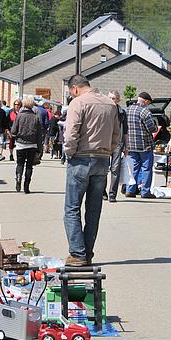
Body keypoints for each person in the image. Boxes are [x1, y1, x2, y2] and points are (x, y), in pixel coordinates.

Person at [62, 75, 120, 266]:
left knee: (72, 208)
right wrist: (108, 150)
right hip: (102, 159)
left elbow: (71, 133)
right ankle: (87, 252)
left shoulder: (78, 103)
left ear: (75, 88)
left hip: (80, 158)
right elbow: (116, 135)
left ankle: (78, 254)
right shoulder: (110, 104)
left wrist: (68, 152)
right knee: (93, 210)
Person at [124, 92, 158, 199]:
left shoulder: (127, 110)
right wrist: (156, 126)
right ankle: (145, 191)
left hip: (130, 144)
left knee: (133, 168)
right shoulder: (145, 111)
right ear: (146, 101)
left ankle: (130, 190)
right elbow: (152, 128)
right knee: (146, 169)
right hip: (144, 145)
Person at [10, 96, 44, 194]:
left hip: (20, 144)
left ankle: (18, 176)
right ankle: (26, 186)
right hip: (32, 145)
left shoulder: (19, 116)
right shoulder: (36, 117)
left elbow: (13, 130)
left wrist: (15, 135)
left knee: (20, 164)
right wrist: (39, 148)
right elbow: (39, 134)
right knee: (29, 166)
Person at [106, 90, 128, 203]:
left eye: (113, 98)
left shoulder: (122, 112)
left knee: (115, 169)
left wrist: (126, 146)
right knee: (103, 169)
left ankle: (112, 194)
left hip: (118, 143)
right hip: (105, 142)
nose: (111, 100)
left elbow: (125, 131)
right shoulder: (104, 110)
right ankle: (102, 192)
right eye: (109, 97)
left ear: (118, 100)